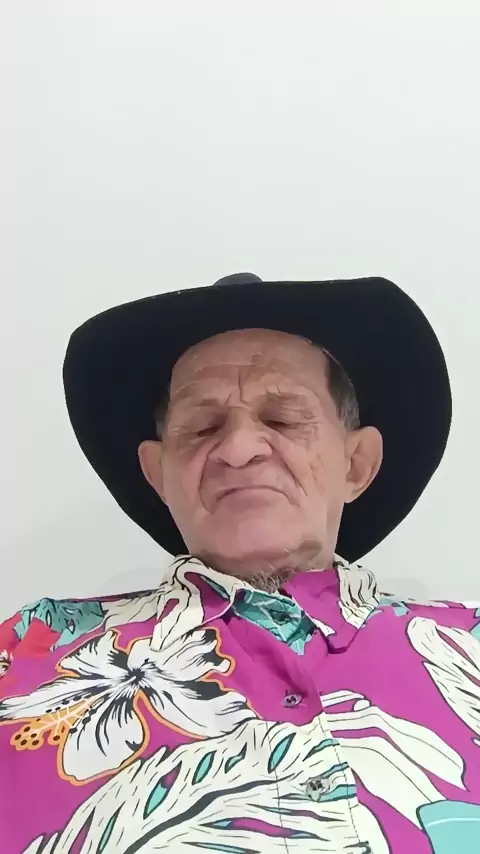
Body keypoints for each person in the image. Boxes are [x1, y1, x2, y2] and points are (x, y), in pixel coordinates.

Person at [0, 273, 479, 854]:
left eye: (283, 420)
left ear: (356, 464)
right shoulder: (23, 653)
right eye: (202, 428)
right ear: (158, 476)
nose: (238, 449)